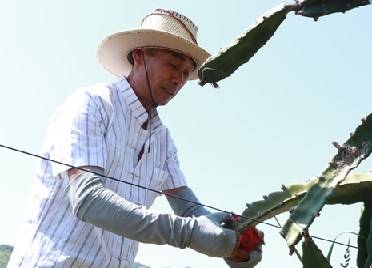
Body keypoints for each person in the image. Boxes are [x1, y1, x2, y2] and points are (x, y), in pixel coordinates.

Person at [7, 9, 263, 268]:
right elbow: (88, 200)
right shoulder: (92, 105)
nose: (178, 79)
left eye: (186, 72)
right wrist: (190, 234)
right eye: (173, 65)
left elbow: (189, 210)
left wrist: (234, 238)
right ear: (139, 56)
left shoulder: (162, 140)